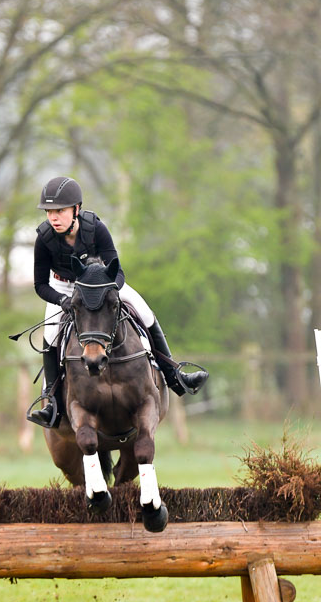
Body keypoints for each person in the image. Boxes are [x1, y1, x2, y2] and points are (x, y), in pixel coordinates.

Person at [29, 176, 208, 427]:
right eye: (49, 212)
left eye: (60, 211)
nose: (54, 218)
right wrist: (61, 300)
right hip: (62, 288)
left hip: (102, 285)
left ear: (76, 209)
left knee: (144, 312)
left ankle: (175, 374)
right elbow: (40, 285)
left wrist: (105, 291)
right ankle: (51, 402)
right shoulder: (44, 239)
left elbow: (118, 272)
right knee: (50, 335)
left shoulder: (96, 229)